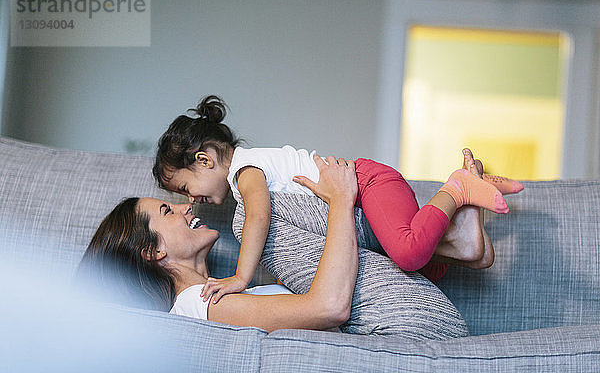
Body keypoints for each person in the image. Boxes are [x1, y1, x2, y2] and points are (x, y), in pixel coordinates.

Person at [152, 96, 523, 303]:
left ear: (204, 160)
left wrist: (240, 277)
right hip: (366, 199)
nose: (193, 199)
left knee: (408, 251)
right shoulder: (249, 169)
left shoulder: (246, 171)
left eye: (186, 188)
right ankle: (464, 243)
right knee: (414, 264)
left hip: (368, 183)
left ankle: (455, 190)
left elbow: (258, 219)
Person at [77, 155, 469, 339]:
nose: (185, 206)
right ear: (153, 251)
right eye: (167, 209)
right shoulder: (200, 305)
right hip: (407, 341)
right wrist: (340, 200)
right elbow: (329, 307)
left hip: (416, 328)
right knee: (248, 215)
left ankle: (449, 241)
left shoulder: (219, 294)